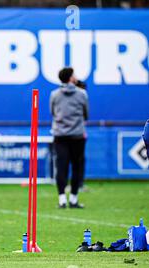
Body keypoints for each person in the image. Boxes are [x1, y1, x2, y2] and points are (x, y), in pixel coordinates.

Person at [50, 67, 89, 209]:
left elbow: (53, 112)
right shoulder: (82, 94)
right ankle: (73, 199)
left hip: (60, 135)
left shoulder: (54, 95)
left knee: (61, 167)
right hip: (77, 136)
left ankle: (61, 199)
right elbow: (86, 114)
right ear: (71, 78)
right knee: (77, 167)